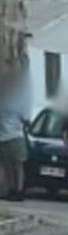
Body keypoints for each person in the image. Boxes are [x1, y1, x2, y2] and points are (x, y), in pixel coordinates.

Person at [0, 67, 29, 201]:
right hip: (3, 136)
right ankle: (10, 189)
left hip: (15, 136)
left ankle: (19, 190)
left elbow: (26, 118)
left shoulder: (18, 100)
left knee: (17, 165)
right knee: (7, 166)